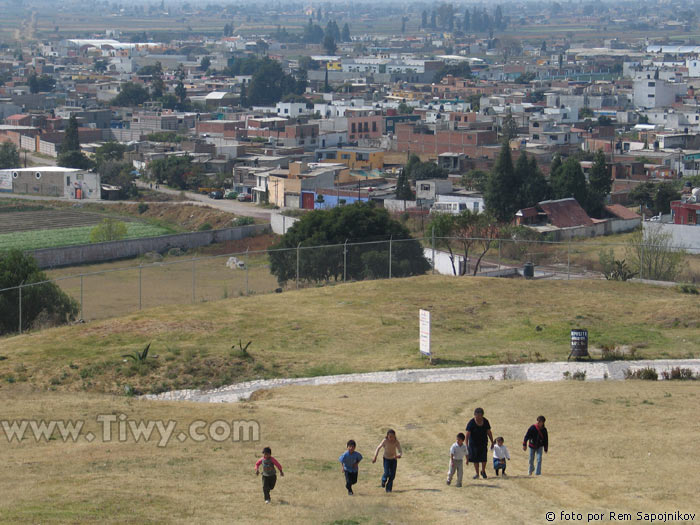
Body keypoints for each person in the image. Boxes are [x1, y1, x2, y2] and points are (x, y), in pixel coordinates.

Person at [465, 407, 494, 479]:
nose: (478, 417)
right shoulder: (471, 422)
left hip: (483, 443)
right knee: (475, 459)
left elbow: (489, 432)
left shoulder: (486, 421)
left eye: (479, 415)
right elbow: (467, 434)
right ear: (474, 415)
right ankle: (477, 473)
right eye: (476, 415)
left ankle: (483, 471)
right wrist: (466, 445)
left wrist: (492, 441)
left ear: (482, 415)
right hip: (473, 444)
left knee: (484, 458)